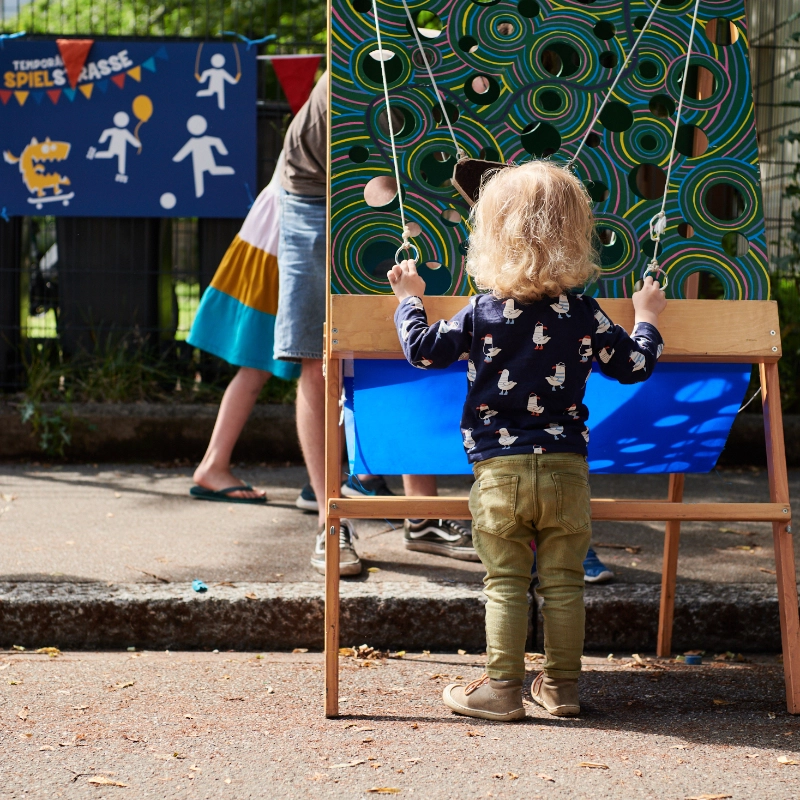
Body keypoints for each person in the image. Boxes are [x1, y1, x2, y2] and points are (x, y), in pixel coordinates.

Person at [387, 160, 666, 721]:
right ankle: (562, 689)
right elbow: (635, 365)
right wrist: (646, 316)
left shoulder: (483, 311)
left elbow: (420, 349)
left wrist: (409, 299)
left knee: (506, 582)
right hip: (567, 469)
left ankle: (501, 690)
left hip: (499, 471)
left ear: (488, 234)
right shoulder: (583, 312)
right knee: (564, 583)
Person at [274, 72, 478, 575]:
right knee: (321, 357)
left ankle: (422, 516)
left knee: (411, 340)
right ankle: (330, 520)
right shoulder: (368, 58)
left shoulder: (445, 53)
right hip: (319, 194)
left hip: (403, 188)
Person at [188, 154, 301, 503]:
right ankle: (213, 463)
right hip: (283, 239)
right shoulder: (332, 109)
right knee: (279, 365)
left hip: (279, 235)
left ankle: (214, 463)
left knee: (261, 368)